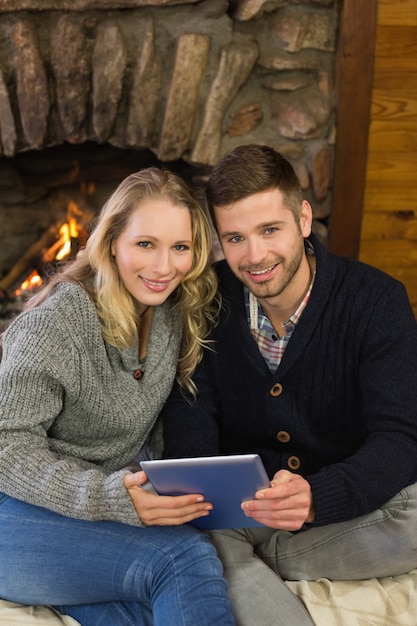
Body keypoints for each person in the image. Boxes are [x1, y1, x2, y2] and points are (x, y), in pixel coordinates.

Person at [161, 144, 417, 625]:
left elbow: (400, 439)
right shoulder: (204, 299)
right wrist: (207, 495)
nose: (255, 256)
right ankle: (237, 556)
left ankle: (272, 560)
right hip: (242, 512)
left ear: (303, 218)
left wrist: (319, 496)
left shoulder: (377, 301)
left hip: (341, 504)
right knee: (201, 536)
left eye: (270, 230)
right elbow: (189, 412)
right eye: (234, 238)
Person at [0, 167, 236, 626]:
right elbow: (5, 448)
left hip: (83, 516)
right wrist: (111, 497)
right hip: (12, 512)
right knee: (184, 558)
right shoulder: (57, 322)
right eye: (145, 244)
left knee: (144, 614)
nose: (163, 266)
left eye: (180, 247)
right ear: (111, 244)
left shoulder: (170, 313)